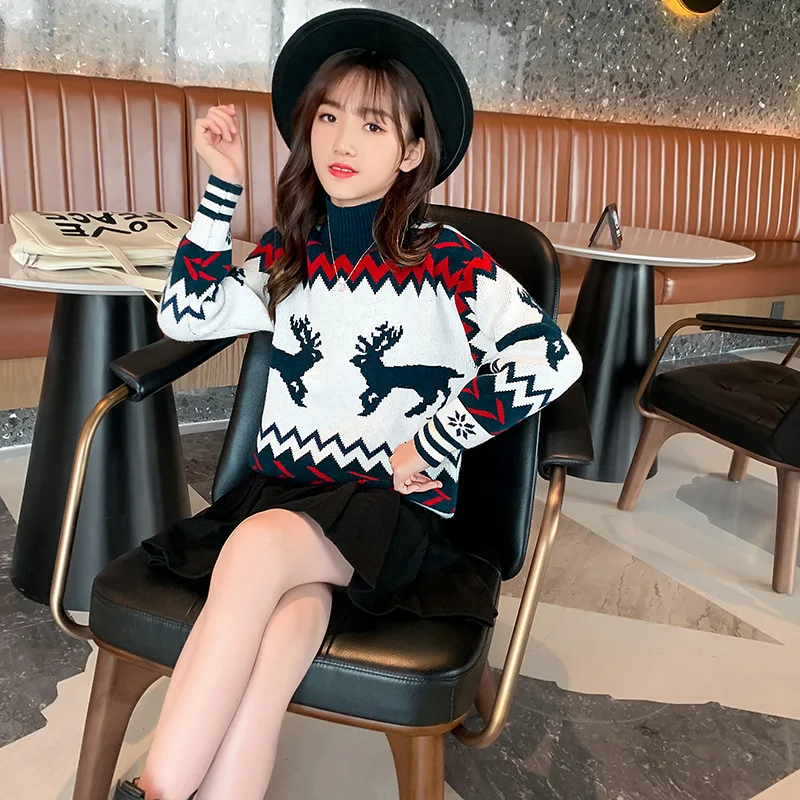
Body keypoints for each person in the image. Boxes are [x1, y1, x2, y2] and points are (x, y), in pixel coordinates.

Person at [114, 9, 582, 800]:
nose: (342, 141)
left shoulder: (446, 259)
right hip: (287, 495)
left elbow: (551, 356)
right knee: (284, 636)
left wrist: (440, 435)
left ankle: (151, 790)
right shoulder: (290, 252)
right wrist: (221, 188)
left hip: (387, 509)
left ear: (411, 151)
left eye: (372, 124)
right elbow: (185, 316)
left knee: (257, 552)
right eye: (328, 117)